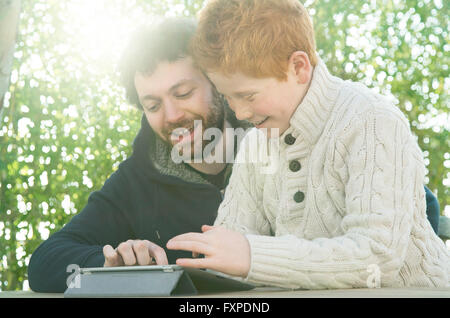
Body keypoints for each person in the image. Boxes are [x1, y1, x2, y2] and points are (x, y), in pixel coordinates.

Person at [167, 0, 449, 289]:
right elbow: (231, 252)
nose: (240, 113)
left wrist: (253, 256)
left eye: (248, 96)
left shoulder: (372, 121)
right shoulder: (256, 143)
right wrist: (165, 264)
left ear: (298, 67)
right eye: (228, 97)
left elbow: (377, 260)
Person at [27, 18, 250, 293]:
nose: (172, 116)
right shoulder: (135, 181)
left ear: (216, 81)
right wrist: (110, 265)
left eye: (183, 93)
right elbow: (44, 263)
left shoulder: (275, 142)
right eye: (154, 105)